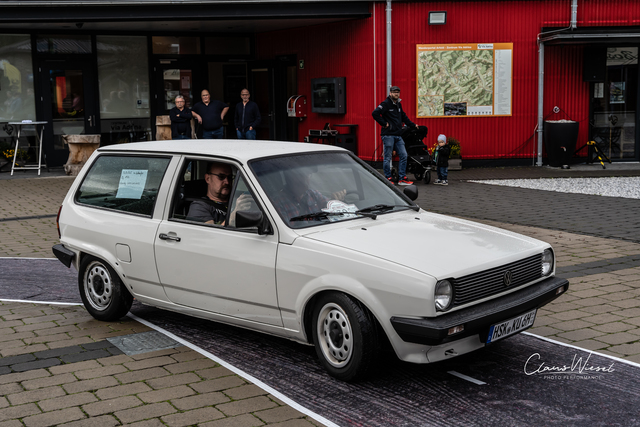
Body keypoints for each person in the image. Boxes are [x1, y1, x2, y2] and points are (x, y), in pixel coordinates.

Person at [372, 85, 419, 185]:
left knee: (404, 155)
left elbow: (404, 117)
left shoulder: (398, 104)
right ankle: (388, 178)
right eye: (394, 92)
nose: (396, 94)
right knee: (387, 158)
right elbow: (375, 113)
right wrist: (384, 123)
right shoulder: (385, 104)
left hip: (398, 135)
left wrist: (413, 125)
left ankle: (402, 179)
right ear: (390, 93)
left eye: (398, 92)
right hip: (388, 135)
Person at [271, 169, 346, 224]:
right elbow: (284, 233)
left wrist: (335, 201)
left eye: (307, 176)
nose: (304, 180)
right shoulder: (279, 201)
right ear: (289, 178)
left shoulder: (313, 194)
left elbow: (328, 206)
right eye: (299, 176)